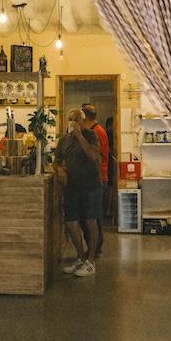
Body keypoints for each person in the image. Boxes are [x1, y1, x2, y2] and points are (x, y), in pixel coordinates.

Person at [53, 108, 102, 277]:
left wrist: (79, 135)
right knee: (71, 223)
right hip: (72, 186)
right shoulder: (64, 140)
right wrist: (59, 169)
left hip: (91, 186)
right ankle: (81, 257)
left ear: (83, 122)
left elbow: (94, 156)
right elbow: (56, 160)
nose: (73, 123)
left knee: (90, 222)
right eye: (71, 120)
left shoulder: (90, 135)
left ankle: (91, 261)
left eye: (77, 120)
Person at [81, 104, 109, 256]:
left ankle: (95, 248)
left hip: (98, 177)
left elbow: (96, 156)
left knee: (93, 217)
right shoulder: (98, 130)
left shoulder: (96, 132)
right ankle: (94, 247)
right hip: (97, 177)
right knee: (93, 217)